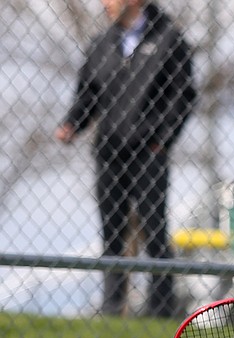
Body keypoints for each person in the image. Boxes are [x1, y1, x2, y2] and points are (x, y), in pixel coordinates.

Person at [55, 0, 196, 318]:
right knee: (112, 232)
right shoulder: (102, 44)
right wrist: (72, 125)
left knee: (153, 230)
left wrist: (162, 140)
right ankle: (112, 307)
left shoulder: (169, 40)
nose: (104, 4)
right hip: (109, 152)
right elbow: (88, 94)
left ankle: (161, 309)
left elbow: (183, 95)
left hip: (149, 152)